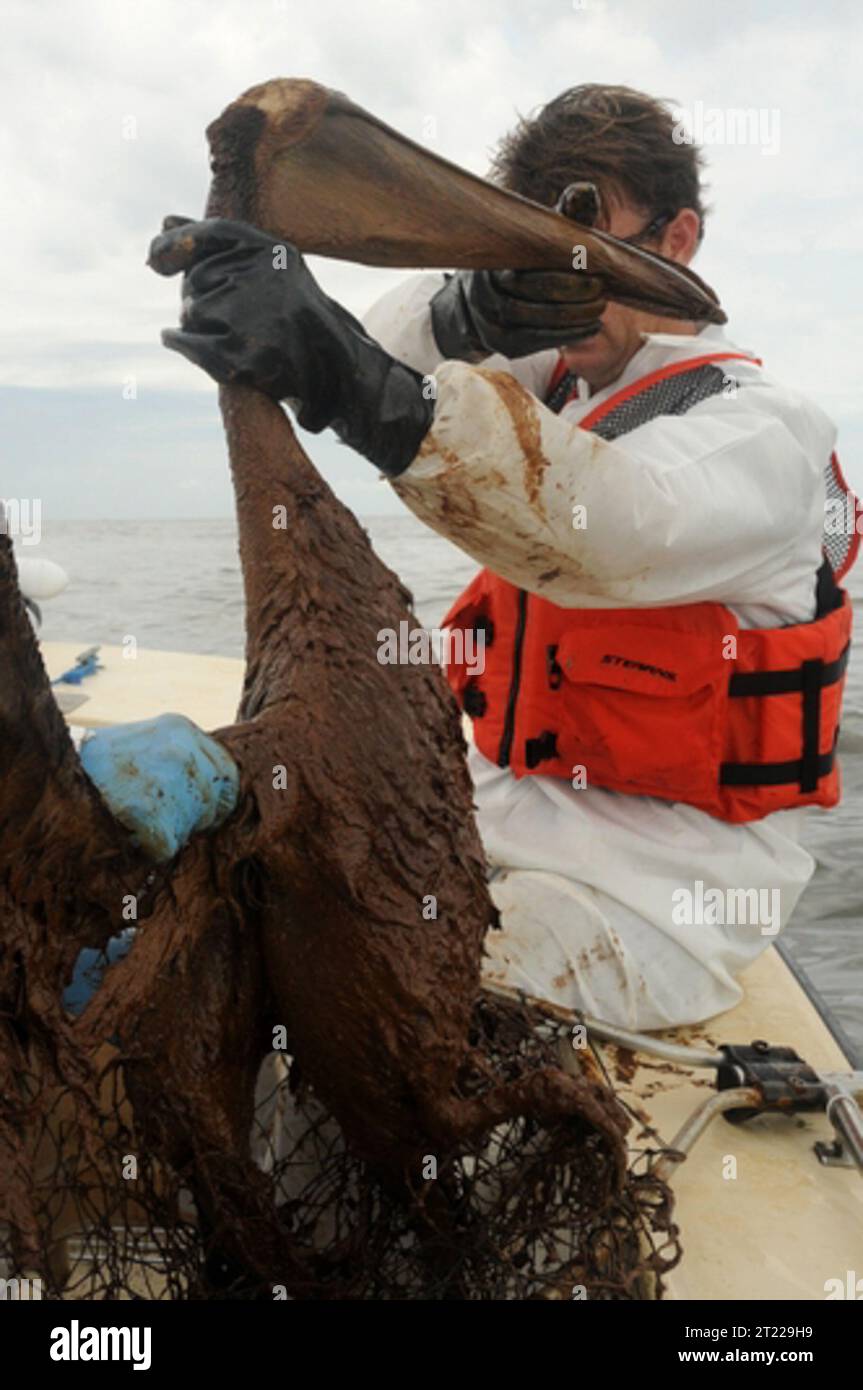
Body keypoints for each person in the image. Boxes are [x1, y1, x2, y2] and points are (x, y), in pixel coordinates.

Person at [80, 84, 853, 1029]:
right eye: (527, 240)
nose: (554, 272)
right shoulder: (556, 383)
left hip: (652, 903)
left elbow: (603, 523)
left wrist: (352, 383)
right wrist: (468, 313)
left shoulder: (761, 430)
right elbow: (396, 347)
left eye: (584, 242)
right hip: (480, 840)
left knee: (370, 1001)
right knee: (203, 920)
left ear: (678, 239)